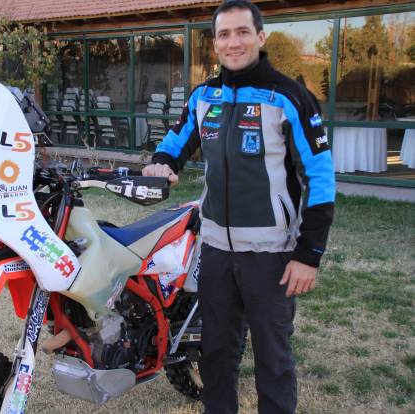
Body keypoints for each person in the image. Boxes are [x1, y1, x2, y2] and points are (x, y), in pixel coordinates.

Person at [143, 1, 335, 413]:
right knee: (215, 355)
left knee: (273, 361)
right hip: (214, 251)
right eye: (224, 34)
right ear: (215, 43)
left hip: (271, 255)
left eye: (242, 32)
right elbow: (175, 143)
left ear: (260, 37)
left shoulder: (290, 97)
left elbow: (320, 179)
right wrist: (161, 163)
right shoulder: (203, 96)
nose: (234, 42)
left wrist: (309, 256)